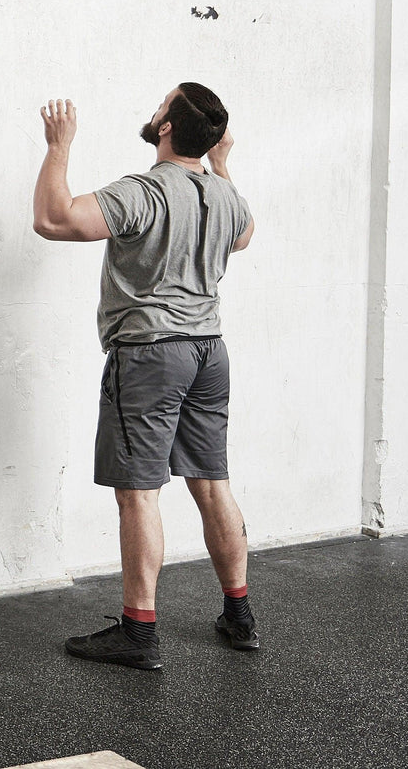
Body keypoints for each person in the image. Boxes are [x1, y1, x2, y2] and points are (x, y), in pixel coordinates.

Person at [32, 85, 256, 669]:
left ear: (165, 128)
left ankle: (138, 631)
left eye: (161, 104)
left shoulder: (145, 191)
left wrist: (59, 146)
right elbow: (243, 234)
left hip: (152, 355)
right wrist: (222, 163)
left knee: (139, 493)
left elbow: (53, 220)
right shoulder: (224, 195)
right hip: (210, 351)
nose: (153, 108)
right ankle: (239, 614)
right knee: (212, 481)